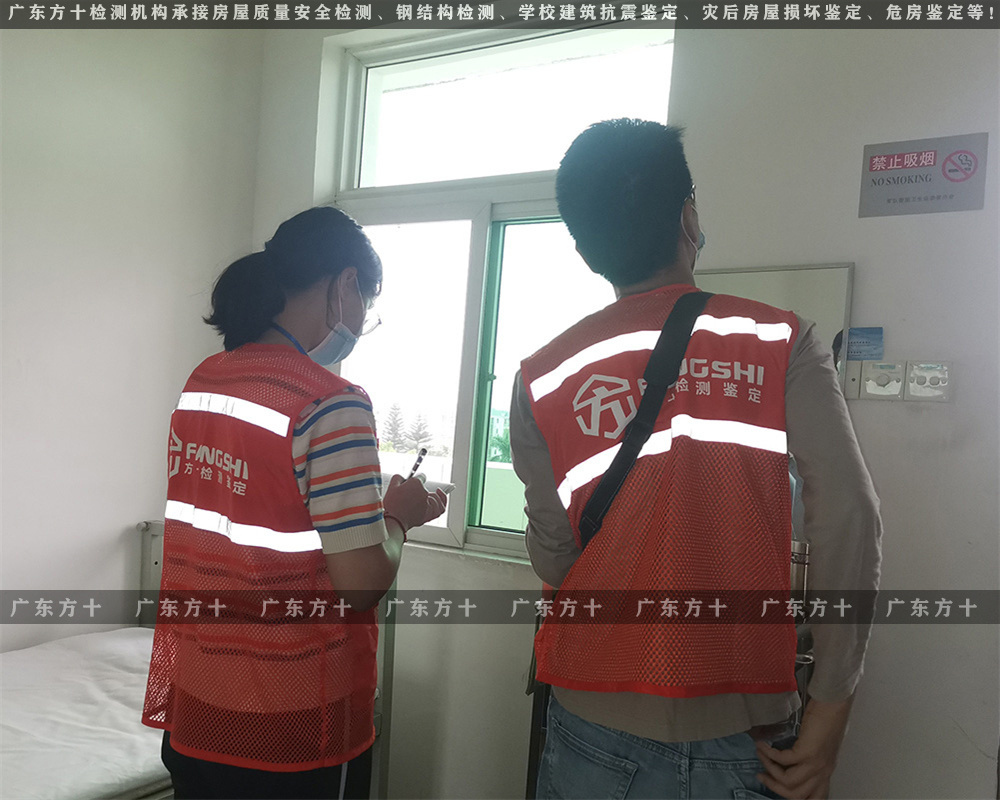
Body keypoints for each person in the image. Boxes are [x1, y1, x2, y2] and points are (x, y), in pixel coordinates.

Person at [509, 120, 882, 800]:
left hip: (592, 717)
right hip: (745, 730)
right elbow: (850, 515)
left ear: (585, 251)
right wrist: (831, 706)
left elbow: (557, 558)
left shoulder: (544, 374)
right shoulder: (780, 339)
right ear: (688, 217)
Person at [142, 206, 447, 800]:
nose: (360, 323)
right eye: (366, 306)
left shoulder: (205, 380)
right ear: (346, 284)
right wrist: (398, 517)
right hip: (292, 723)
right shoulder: (331, 402)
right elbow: (361, 583)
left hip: (199, 700)